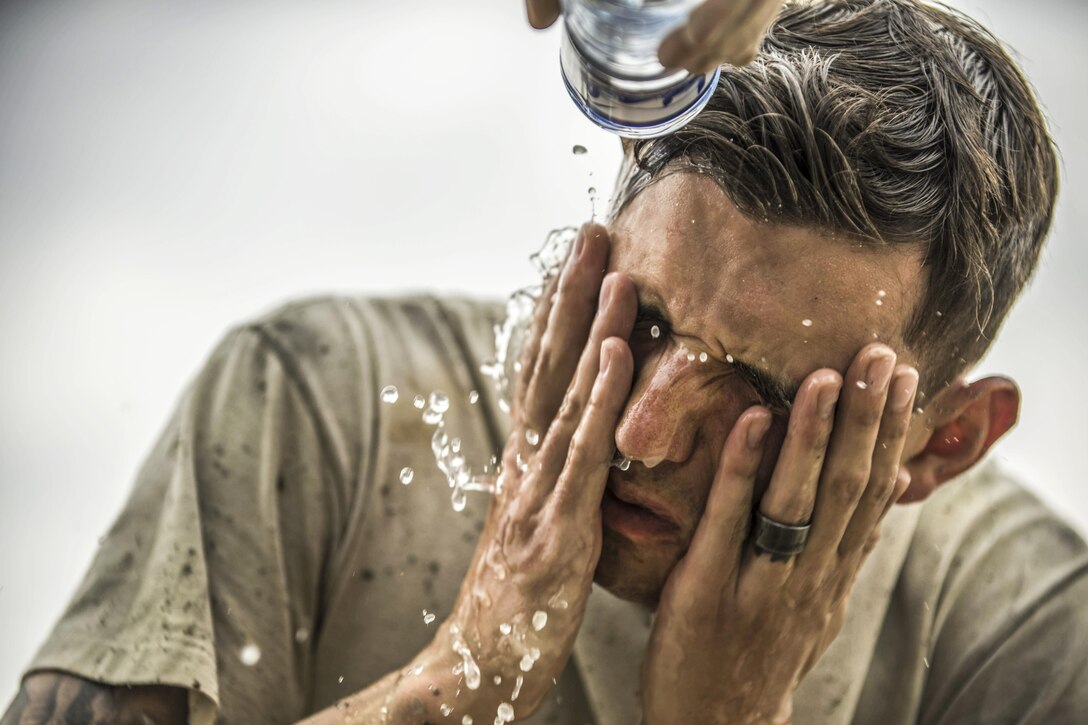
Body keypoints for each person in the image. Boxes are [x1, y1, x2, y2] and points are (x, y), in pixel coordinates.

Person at [5, 0, 1086, 723]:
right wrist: (462, 671)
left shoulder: (1015, 624)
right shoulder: (318, 403)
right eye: (647, 321)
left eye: (761, 402)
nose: (641, 429)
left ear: (937, 441)